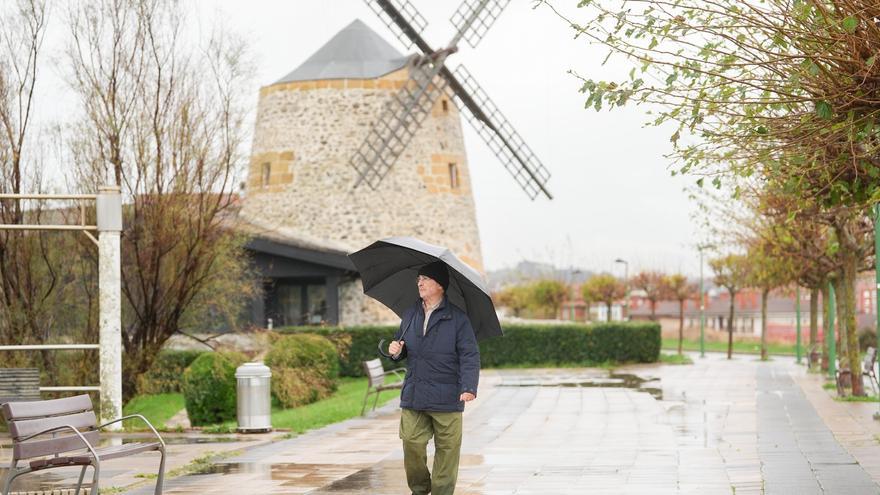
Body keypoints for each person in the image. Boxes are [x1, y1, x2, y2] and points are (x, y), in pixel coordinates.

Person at [388, 261, 480, 495]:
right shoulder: (410, 313)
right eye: (419, 278)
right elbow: (403, 344)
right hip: (415, 393)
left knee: (447, 451)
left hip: (448, 396)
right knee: (411, 442)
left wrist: (469, 386)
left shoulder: (458, 319)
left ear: (440, 285)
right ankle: (419, 489)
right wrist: (397, 352)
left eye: (425, 279)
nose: (419, 282)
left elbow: (469, 355)